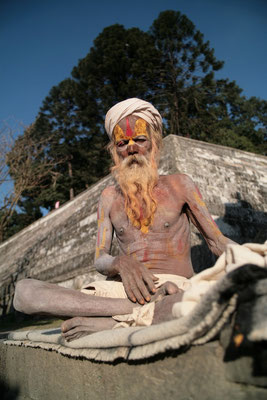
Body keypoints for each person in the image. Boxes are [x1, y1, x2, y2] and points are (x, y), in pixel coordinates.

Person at [13, 98, 234, 341]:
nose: (131, 148)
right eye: (122, 143)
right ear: (115, 151)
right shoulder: (109, 197)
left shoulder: (180, 184)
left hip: (175, 287)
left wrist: (253, 258)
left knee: (197, 300)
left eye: (139, 140)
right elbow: (100, 259)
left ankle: (113, 322)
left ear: (154, 143)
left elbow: (216, 242)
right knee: (25, 293)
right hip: (120, 293)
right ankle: (136, 313)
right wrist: (120, 263)